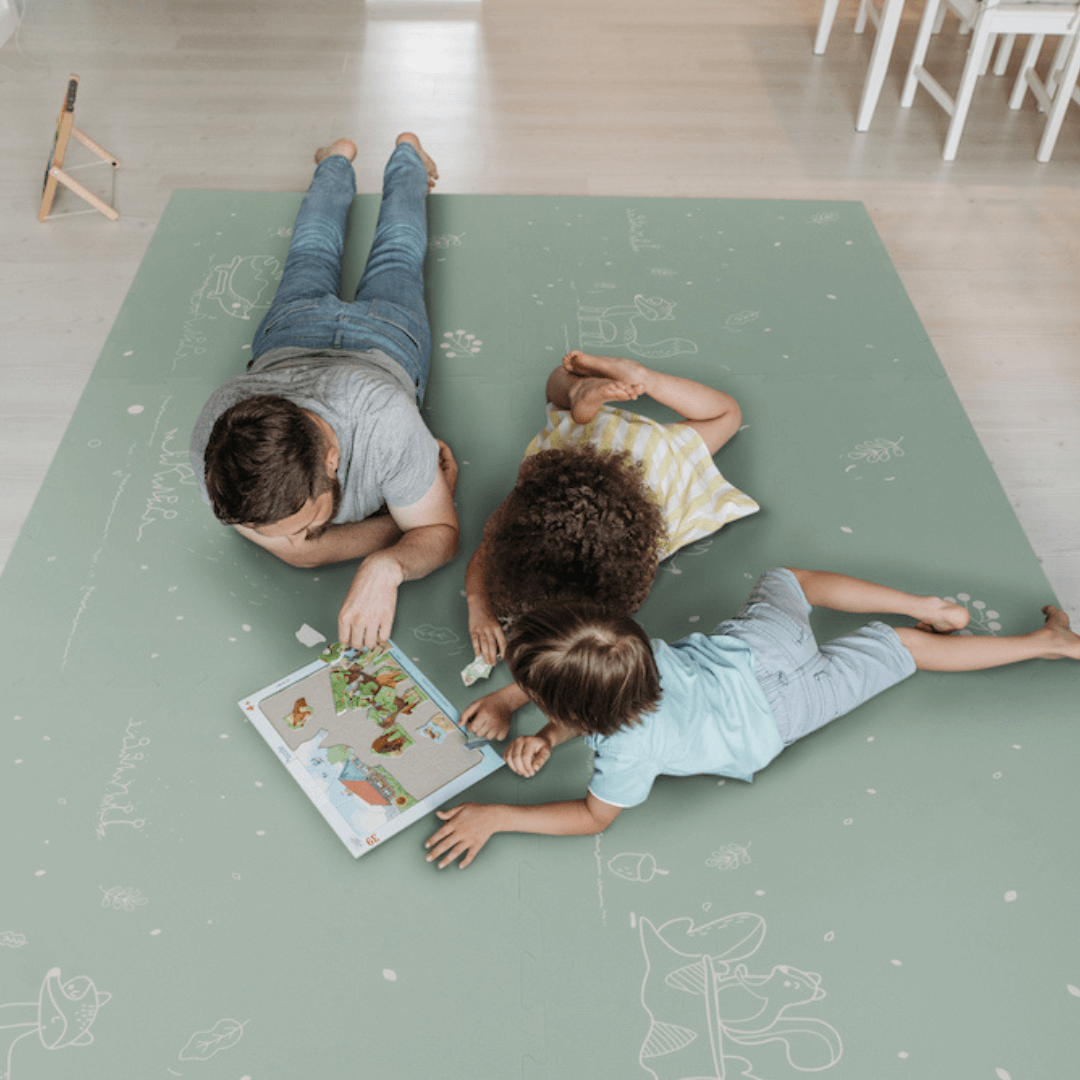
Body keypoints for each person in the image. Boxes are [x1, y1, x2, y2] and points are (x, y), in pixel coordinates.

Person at [425, 567, 1080, 868]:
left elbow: (594, 818)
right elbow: (591, 707)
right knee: (789, 579)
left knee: (905, 651)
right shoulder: (633, 653)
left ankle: (1041, 645)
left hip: (781, 718)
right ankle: (934, 604)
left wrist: (500, 815)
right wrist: (543, 732)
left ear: (574, 709)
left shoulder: (626, 749)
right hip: (760, 652)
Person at [189, 134, 459, 649]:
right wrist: (392, 543)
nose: (292, 542)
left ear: (331, 458)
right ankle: (340, 159)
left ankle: (399, 156)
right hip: (294, 335)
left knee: (399, 250)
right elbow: (302, 553)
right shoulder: (217, 453)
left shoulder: (387, 421)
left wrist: (387, 563)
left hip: (385, 340)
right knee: (311, 249)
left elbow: (443, 537)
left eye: (308, 525)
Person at [465, 350, 759, 665]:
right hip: (579, 442)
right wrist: (478, 606)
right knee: (557, 389)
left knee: (727, 416)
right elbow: (486, 551)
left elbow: (486, 551)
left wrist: (479, 606)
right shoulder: (535, 502)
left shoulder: (660, 484)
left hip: (648, 454)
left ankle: (637, 381)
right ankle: (585, 392)